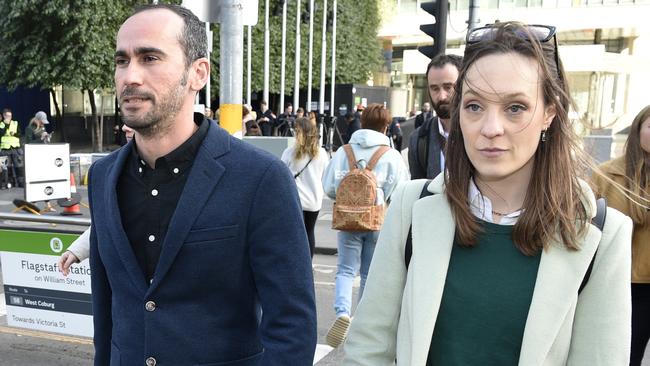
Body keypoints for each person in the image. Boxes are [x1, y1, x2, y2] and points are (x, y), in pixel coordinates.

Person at [343, 22, 632, 365]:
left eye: (515, 108)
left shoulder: (601, 234)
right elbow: (368, 350)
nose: (490, 129)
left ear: (549, 114)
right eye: (475, 106)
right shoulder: (412, 207)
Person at [88, 5, 316, 365]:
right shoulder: (102, 177)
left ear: (198, 73)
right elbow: (106, 311)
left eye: (149, 58)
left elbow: (292, 325)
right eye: (122, 60)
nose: (130, 76)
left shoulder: (259, 178)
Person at [322, 103, 409, 348]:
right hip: (378, 220)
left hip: (347, 220)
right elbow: (402, 189)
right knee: (370, 272)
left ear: (362, 121)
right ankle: (360, 318)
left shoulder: (344, 151)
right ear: (386, 125)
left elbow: (329, 186)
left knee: (345, 270)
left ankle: (342, 313)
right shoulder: (390, 155)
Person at [592, 105, 650, 366]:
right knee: (625, 357)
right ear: (638, 130)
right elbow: (587, 226)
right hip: (624, 284)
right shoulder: (607, 174)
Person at [58, 125, 135, 276]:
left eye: (138, 111)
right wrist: (77, 250)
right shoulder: (108, 169)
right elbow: (106, 223)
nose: (125, 128)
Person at [408, 54, 462, 179]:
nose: (441, 96)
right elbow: (419, 192)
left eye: (448, 87)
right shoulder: (418, 140)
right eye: (435, 89)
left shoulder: (481, 132)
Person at [280, 117, 329, 258]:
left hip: (295, 200)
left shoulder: (290, 152)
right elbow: (325, 177)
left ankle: (295, 263)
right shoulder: (321, 153)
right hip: (314, 200)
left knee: (295, 234)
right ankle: (308, 263)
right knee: (309, 231)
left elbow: (282, 175)